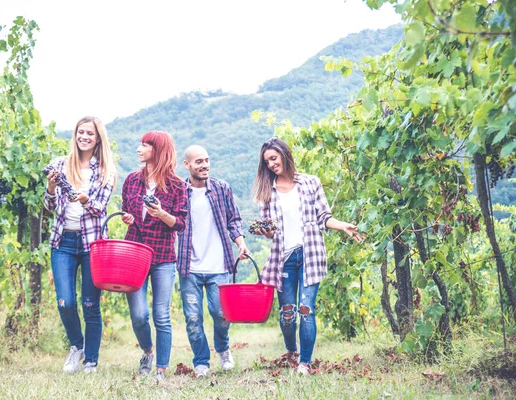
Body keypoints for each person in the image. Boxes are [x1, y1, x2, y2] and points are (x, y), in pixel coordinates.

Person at [251, 138, 364, 376]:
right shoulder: (266, 192)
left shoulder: (310, 183)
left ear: (284, 154)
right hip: (284, 258)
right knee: (288, 313)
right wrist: (266, 231)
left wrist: (342, 225)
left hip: (311, 254)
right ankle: (291, 350)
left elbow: (324, 216)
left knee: (306, 309)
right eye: (267, 161)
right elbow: (269, 231)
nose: (271, 164)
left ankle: (305, 362)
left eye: (274, 158)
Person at [44, 116, 117, 374]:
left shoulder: (106, 172)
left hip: (92, 244)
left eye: (90, 133)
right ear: (75, 135)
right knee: (65, 302)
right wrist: (51, 188)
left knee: (90, 304)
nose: (84, 137)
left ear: (98, 139)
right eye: (81, 132)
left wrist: (85, 199)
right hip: (63, 240)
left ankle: (91, 361)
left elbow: (99, 209)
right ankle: (77, 345)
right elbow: (50, 207)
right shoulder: (61, 165)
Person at [120, 130, 188, 382]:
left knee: (161, 314)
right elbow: (126, 211)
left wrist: (161, 214)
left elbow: (180, 223)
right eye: (140, 144)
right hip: (134, 254)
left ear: (158, 151)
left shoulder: (177, 186)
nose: (139, 149)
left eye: (145, 145)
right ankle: (148, 351)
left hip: (162, 257)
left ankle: (161, 369)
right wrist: (128, 217)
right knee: (139, 314)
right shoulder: (131, 180)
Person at [177, 145, 249, 378]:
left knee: (221, 313)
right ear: (187, 165)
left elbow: (234, 220)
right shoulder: (179, 192)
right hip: (190, 267)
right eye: (198, 161)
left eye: (207, 160)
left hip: (219, 265)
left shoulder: (221, 188)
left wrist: (240, 243)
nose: (204, 165)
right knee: (193, 318)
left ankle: (223, 348)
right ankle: (201, 361)